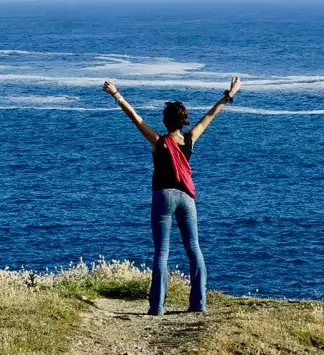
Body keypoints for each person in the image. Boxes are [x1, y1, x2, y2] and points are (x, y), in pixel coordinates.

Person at [102, 75, 241, 315]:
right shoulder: (190, 138)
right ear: (184, 121)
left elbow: (135, 118)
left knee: (161, 253)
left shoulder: (159, 140)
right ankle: (198, 304)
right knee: (194, 248)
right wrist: (229, 94)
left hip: (163, 196)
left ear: (165, 121)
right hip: (187, 198)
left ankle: (157, 307)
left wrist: (116, 94)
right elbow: (210, 116)